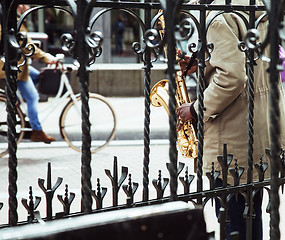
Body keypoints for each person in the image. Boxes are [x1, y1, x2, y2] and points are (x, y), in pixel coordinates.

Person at [176, 0, 285, 239]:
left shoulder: (219, 16)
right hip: (262, 128)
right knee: (251, 216)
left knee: (233, 224)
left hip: (232, 137)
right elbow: (250, 59)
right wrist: (204, 63)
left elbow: (233, 78)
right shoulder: (254, 6)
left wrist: (195, 109)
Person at [0, 5, 57, 143]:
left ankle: (20, 109)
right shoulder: (13, 22)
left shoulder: (14, 19)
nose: (29, 7)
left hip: (19, 66)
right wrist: (46, 58)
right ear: (19, 6)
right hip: (12, 68)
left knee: (38, 76)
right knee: (32, 97)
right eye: (26, 4)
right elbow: (26, 45)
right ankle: (36, 130)